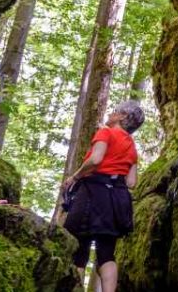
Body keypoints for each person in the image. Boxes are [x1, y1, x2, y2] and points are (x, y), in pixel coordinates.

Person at [61, 101, 143, 292]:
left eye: (114, 111)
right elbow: (131, 182)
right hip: (117, 200)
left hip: (92, 194)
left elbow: (96, 159)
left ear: (122, 117)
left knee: (78, 248)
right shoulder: (131, 146)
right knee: (106, 254)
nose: (110, 114)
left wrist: (74, 177)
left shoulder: (106, 132)